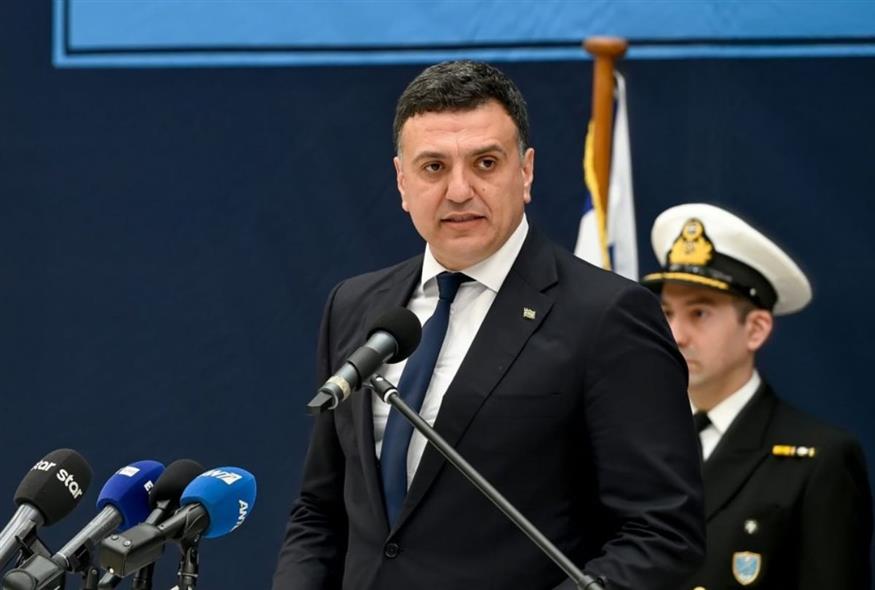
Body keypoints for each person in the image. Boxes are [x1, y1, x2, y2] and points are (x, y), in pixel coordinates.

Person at [272, 60, 704, 590]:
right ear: (402, 182)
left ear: (525, 172)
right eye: (434, 167)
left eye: (485, 163)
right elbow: (320, 510)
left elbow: (662, 533)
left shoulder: (607, 315)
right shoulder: (355, 305)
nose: (459, 190)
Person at [641, 203, 873, 589]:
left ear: (756, 330)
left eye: (699, 314)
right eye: (667, 313)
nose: (676, 335)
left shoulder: (819, 460)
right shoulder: (635, 439)